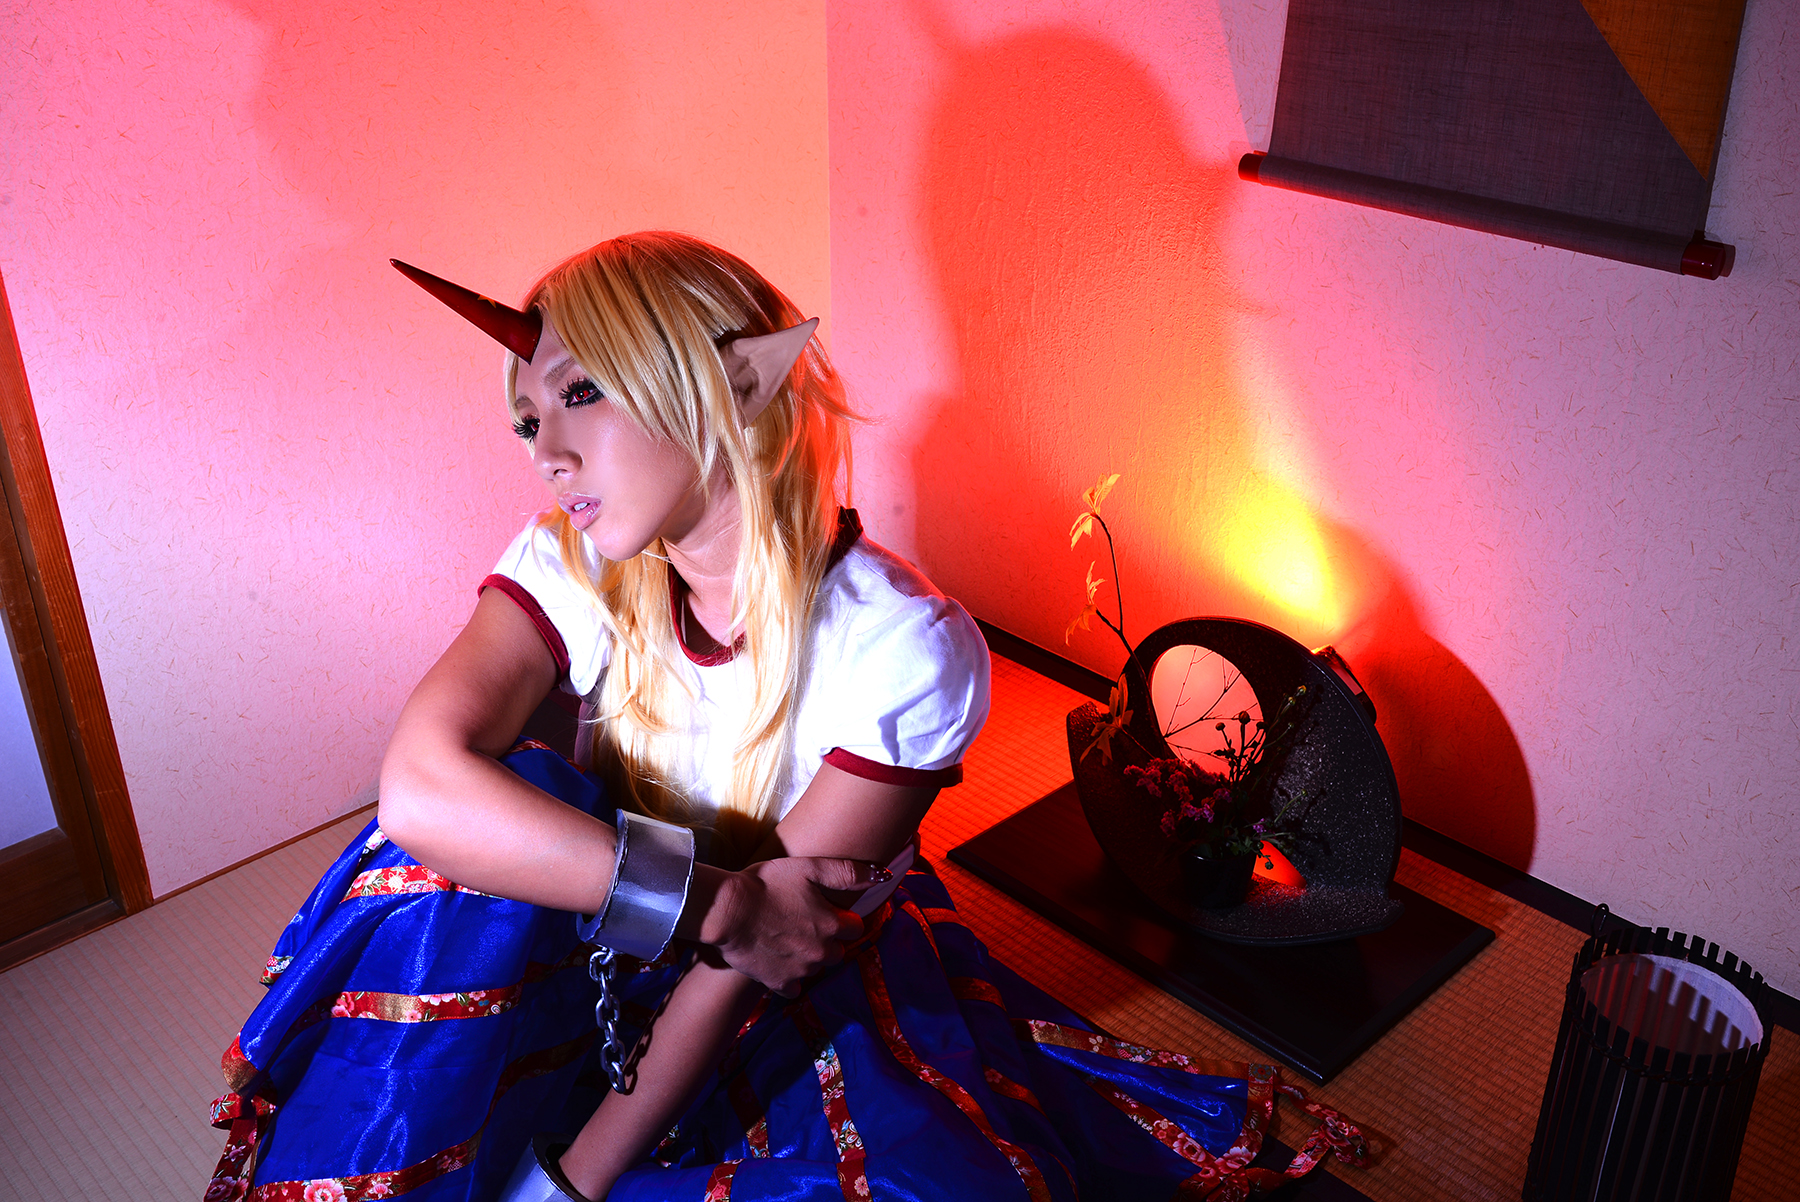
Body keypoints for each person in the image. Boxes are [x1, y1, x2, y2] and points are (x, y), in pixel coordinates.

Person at [206, 233, 1367, 1202]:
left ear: (736, 383)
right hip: (623, 924)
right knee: (457, 846)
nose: (546, 453)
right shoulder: (568, 561)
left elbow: (758, 956)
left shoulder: (902, 646)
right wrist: (716, 897)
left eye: (578, 393)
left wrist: (567, 1182)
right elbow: (419, 786)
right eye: (527, 419)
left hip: (781, 978)